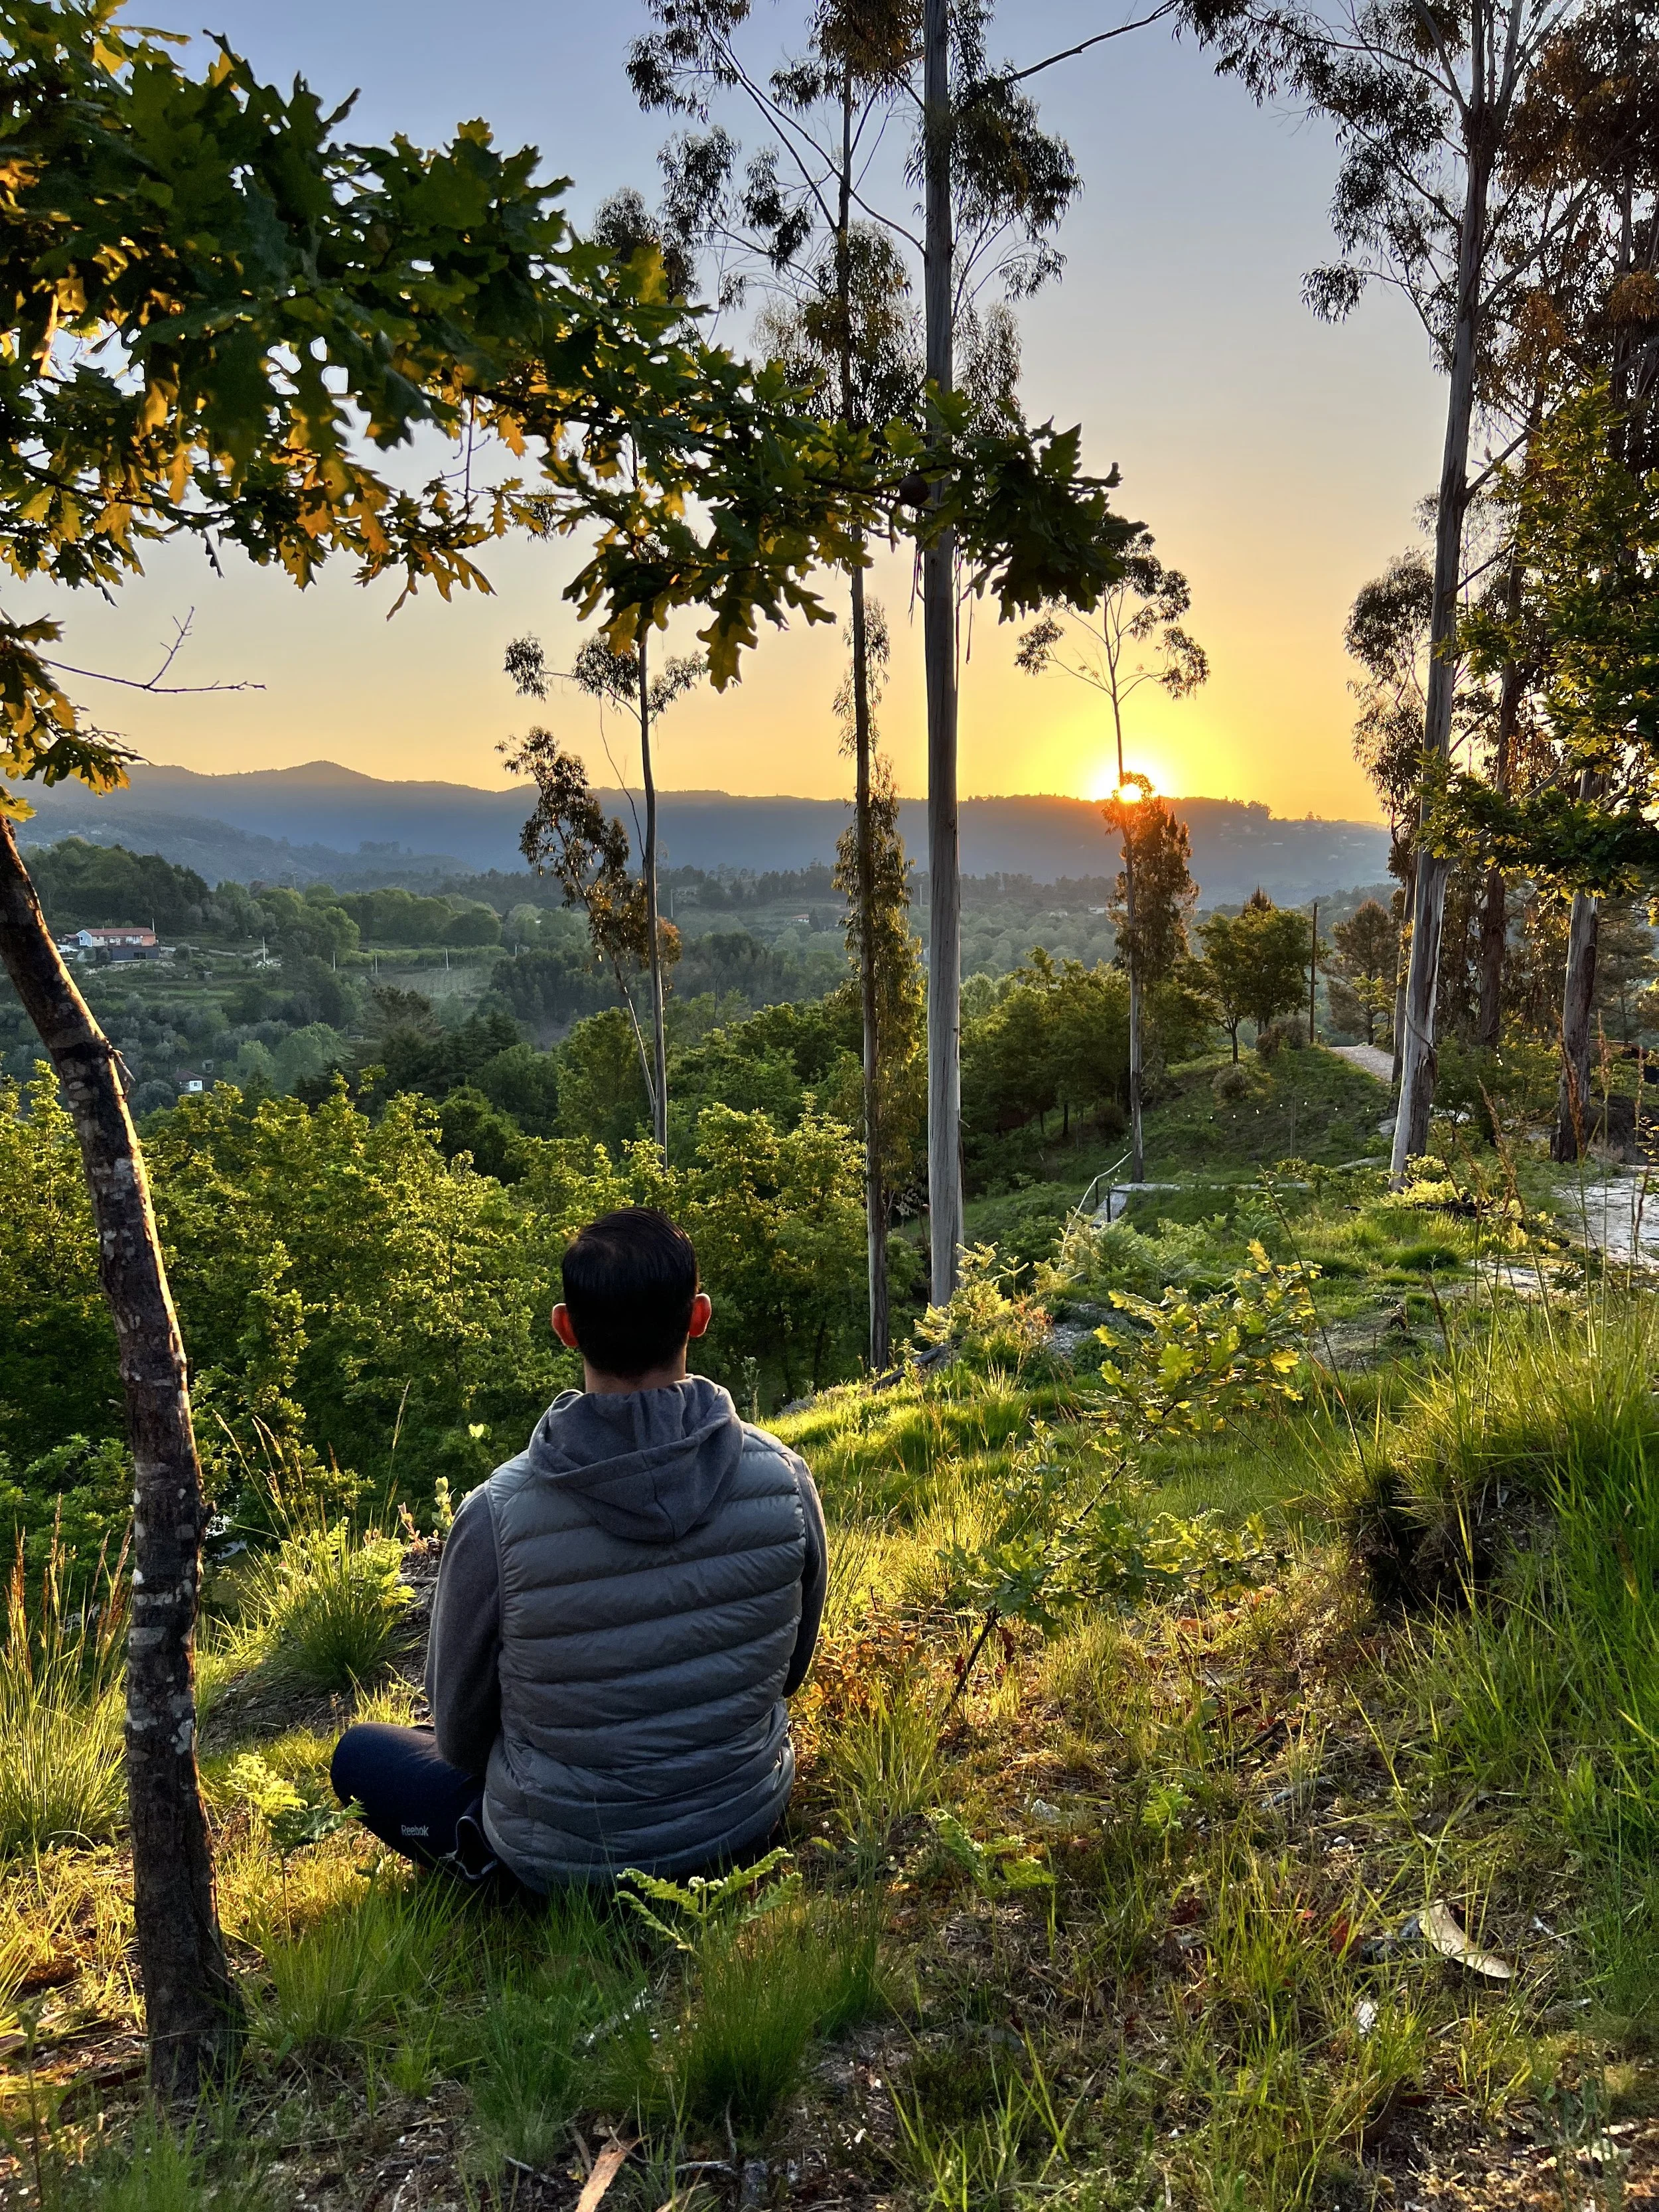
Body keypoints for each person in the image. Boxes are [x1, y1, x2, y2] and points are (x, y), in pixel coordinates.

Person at [330, 1206, 827, 1890]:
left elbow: (460, 1739)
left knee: (359, 1754)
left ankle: (496, 1869)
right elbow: (789, 1672)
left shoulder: (496, 1514)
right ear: (698, 1317)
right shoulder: (783, 1480)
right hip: (742, 1823)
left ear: (565, 1328)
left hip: (564, 1863)